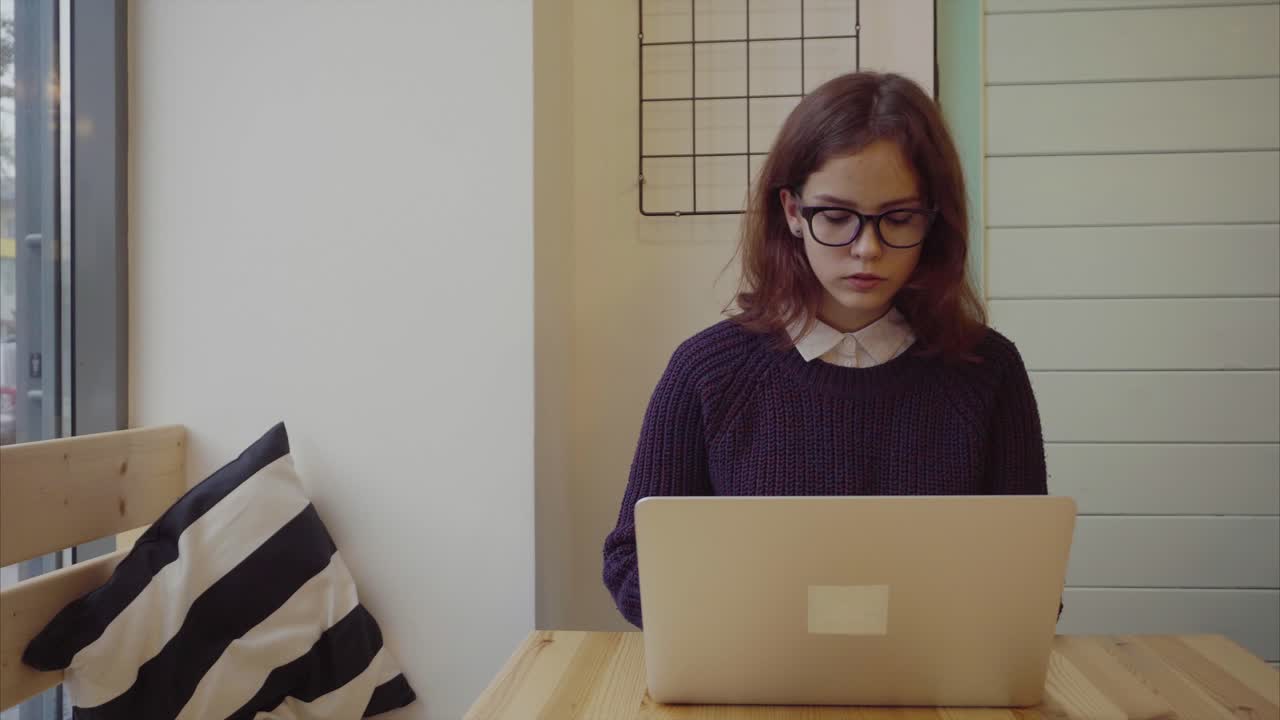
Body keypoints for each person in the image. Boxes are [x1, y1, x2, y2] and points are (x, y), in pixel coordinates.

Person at [603, 71, 1048, 629]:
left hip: (932, 693)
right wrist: (747, 618)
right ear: (792, 211)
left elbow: (1031, 580)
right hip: (750, 681)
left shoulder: (988, 372)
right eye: (836, 217)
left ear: (934, 221)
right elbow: (630, 562)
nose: (867, 249)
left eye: (898, 218)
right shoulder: (705, 371)